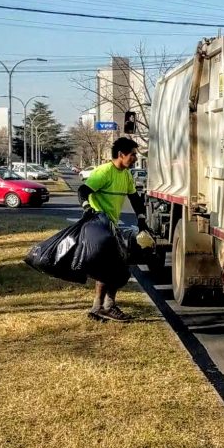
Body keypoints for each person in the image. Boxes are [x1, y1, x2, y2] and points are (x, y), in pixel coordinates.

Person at [77, 137, 150, 322]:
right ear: (121, 155)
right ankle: (105, 306)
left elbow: (135, 199)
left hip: (111, 226)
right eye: (133, 154)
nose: (135, 158)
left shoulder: (125, 175)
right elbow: (83, 191)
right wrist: (87, 208)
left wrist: (142, 220)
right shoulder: (104, 172)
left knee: (117, 266)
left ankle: (100, 307)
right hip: (97, 226)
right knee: (112, 266)